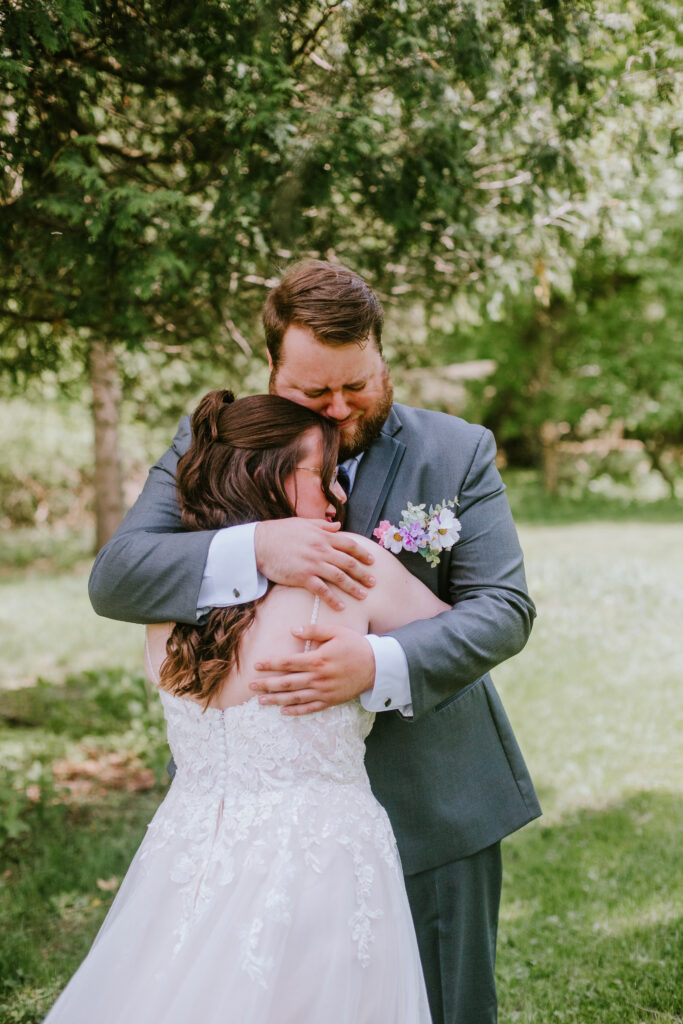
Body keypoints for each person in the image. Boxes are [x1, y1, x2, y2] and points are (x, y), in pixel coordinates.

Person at [89, 260, 541, 1024]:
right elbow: (119, 575)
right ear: (269, 368)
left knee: (443, 1005)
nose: (338, 408)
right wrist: (258, 547)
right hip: (263, 817)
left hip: (436, 788)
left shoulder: (455, 451)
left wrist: (378, 663)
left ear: (379, 354)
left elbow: (502, 608)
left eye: (356, 384)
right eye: (312, 392)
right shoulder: (213, 444)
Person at [46, 391, 443, 1023]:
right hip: (322, 860)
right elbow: (453, 641)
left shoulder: (165, 606)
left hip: (187, 853)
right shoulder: (348, 574)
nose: (338, 497)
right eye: (325, 477)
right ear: (277, 480)